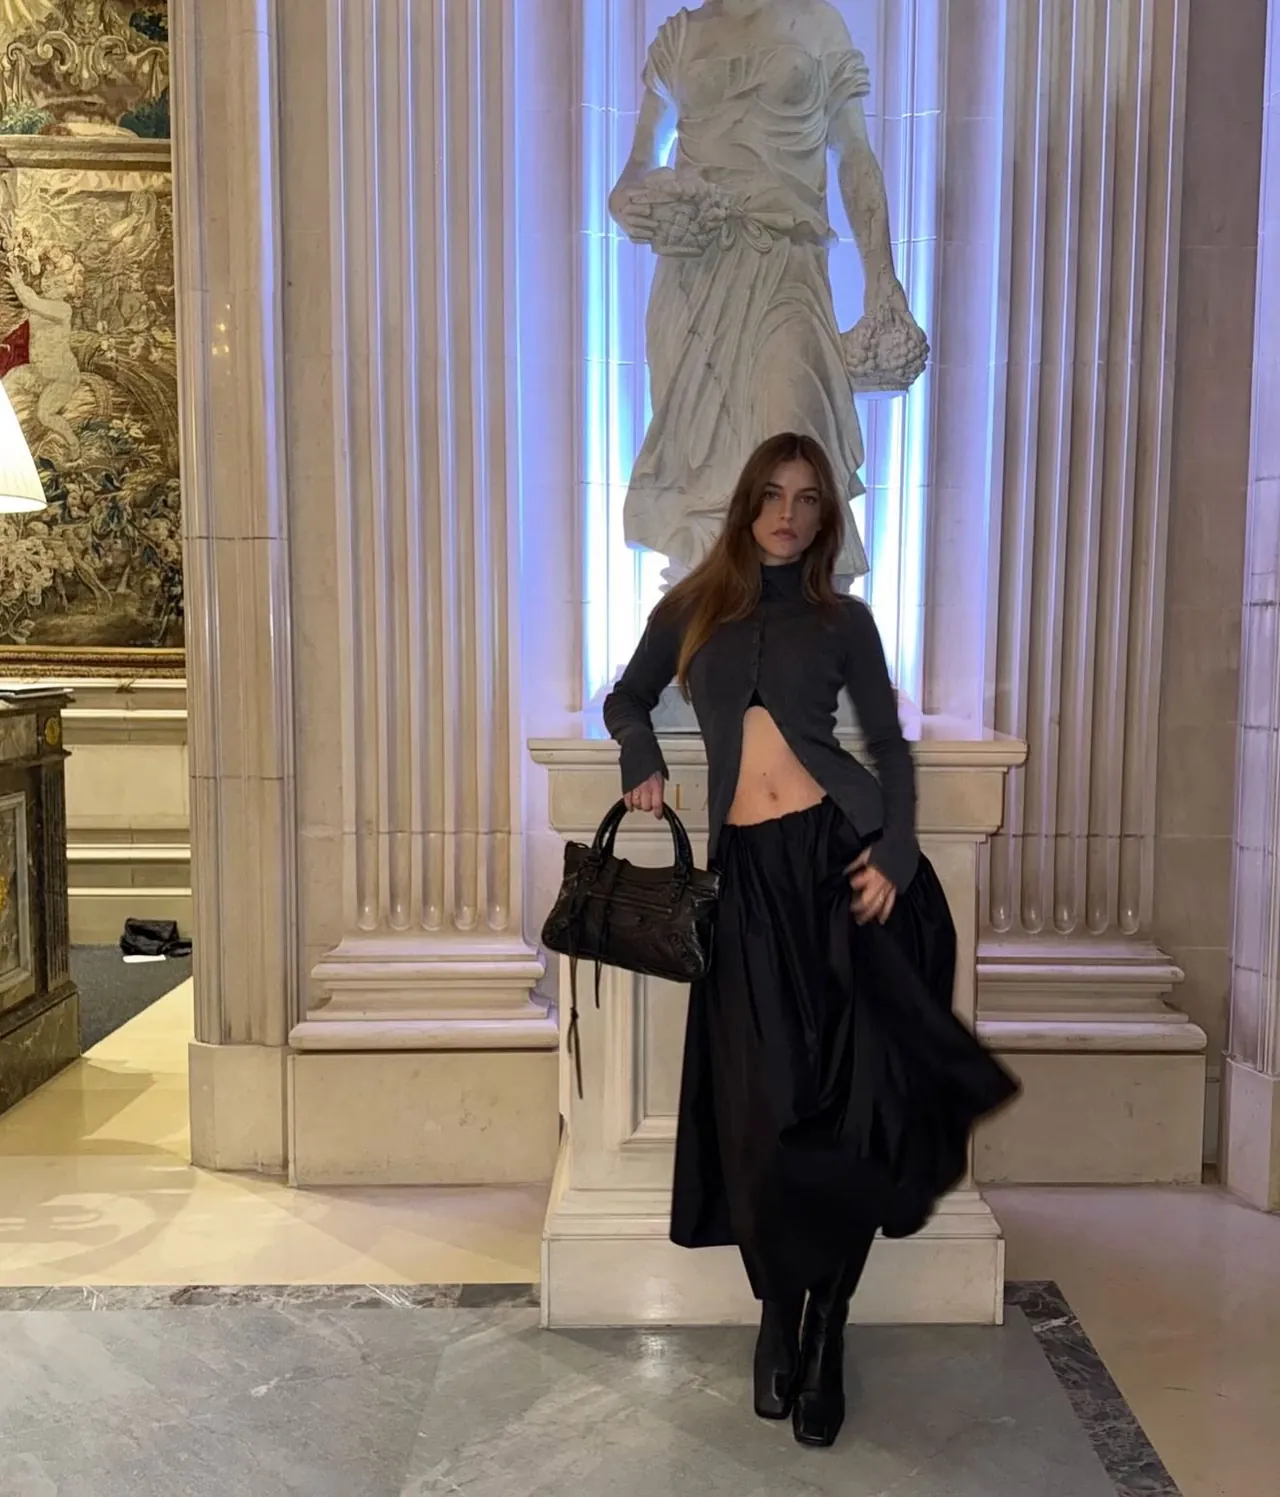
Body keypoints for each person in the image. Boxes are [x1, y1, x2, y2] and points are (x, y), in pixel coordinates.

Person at [603, 432, 1017, 1449]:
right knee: (764, 1114)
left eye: (807, 499)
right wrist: (639, 752)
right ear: (746, 504)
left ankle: (824, 1331)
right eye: (773, 495)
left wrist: (899, 852)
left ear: (825, 516)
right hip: (748, 886)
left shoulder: (842, 619)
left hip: (845, 872)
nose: (788, 514)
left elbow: (888, 745)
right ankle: (774, 1313)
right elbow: (625, 695)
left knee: (848, 1115)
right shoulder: (692, 610)